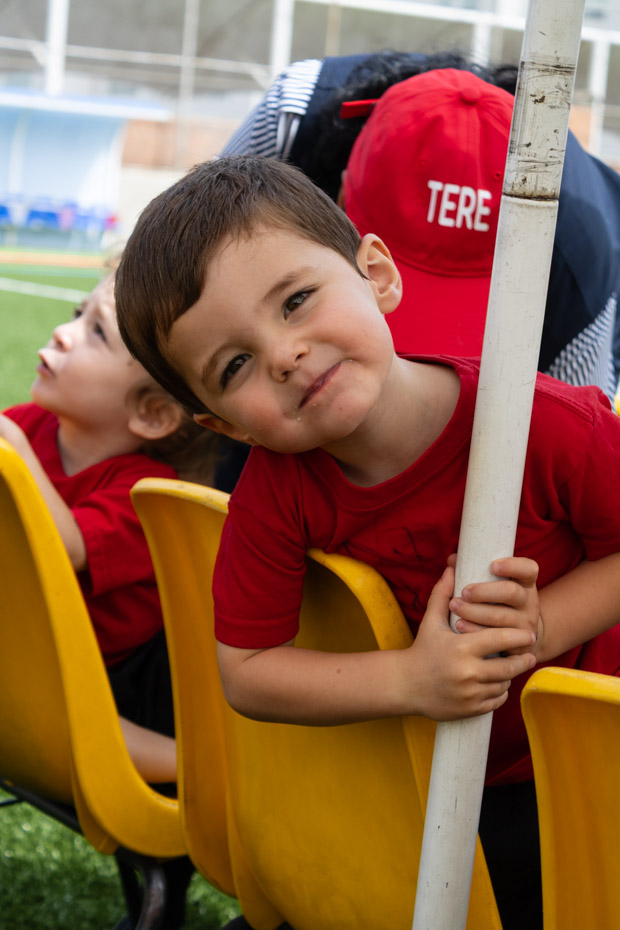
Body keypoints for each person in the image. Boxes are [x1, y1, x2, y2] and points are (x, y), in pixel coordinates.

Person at [115, 155, 620, 930]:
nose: (284, 354)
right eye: (236, 364)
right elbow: (247, 671)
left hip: (576, 770)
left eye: (296, 301)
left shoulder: (543, 424)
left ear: (376, 273)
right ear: (224, 426)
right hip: (413, 770)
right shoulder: (276, 493)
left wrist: (540, 625)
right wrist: (412, 681)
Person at [1, 270, 220, 929]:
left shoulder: (140, 489)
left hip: (119, 681)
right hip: (35, 665)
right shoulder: (35, 426)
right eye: (77, 312)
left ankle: (204, 764)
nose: (63, 334)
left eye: (95, 332)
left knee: (105, 720)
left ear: (152, 411)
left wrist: (13, 456)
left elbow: (63, 546)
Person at [223, 50, 620, 399]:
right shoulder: (292, 117)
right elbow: (190, 271)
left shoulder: (583, 252)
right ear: (341, 196)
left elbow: (571, 439)